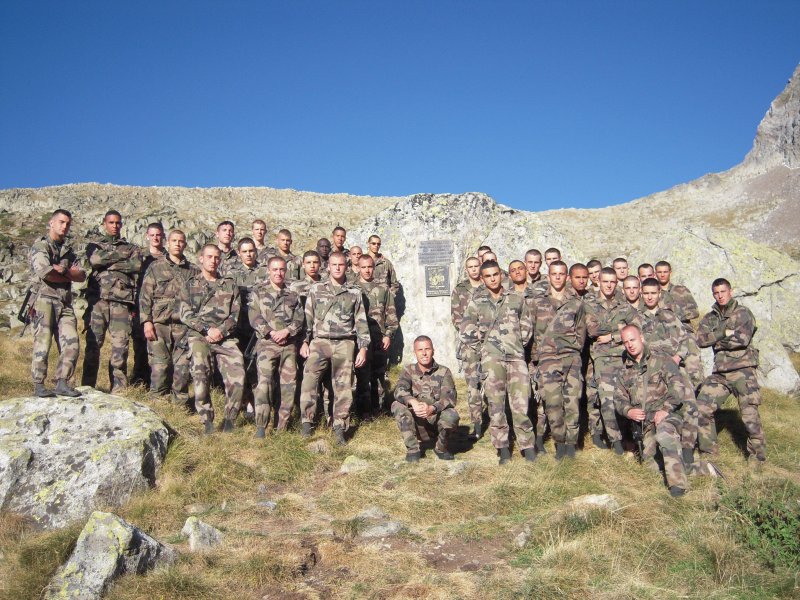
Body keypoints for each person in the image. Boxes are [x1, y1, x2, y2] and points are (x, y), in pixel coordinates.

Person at [461, 260, 536, 464]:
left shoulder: (515, 298)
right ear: (483, 279)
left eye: (496, 274)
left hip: (516, 357)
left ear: (501, 275)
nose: (493, 278)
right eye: (488, 276)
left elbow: (527, 326)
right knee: (496, 404)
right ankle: (503, 447)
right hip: (491, 359)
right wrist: (483, 350)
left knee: (521, 403)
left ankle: (527, 445)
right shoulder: (477, 302)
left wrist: (517, 343)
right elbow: (466, 330)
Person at [299, 251, 370, 445]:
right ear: (328, 267)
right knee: (309, 381)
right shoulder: (316, 289)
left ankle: (339, 427)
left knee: (343, 386)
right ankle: (307, 422)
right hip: (320, 341)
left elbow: (361, 321)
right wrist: (305, 341)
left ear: (346, 266)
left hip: (345, 342)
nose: (337, 268)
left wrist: (363, 348)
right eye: (334, 265)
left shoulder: (354, 292)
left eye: (341, 265)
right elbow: (308, 319)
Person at [614, 324, 690, 497]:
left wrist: (665, 410)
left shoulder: (661, 360)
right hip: (645, 424)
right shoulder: (624, 372)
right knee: (652, 469)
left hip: (669, 417)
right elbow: (619, 399)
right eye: (626, 342)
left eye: (632, 340)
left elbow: (678, 387)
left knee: (664, 434)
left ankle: (678, 488)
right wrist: (628, 411)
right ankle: (701, 468)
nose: (630, 345)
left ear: (641, 337)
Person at [695, 279, 766, 463]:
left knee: (749, 415)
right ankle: (708, 452)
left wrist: (716, 341)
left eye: (723, 291)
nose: (720, 295)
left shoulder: (743, 313)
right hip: (720, 372)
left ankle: (757, 457)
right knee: (702, 407)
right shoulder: (710, 317)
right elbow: (700, 340)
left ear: (730, 291)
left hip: (743, 370)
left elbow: (741, 340)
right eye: (716, 293)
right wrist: (722, 334)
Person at [179, 244, 245, 434]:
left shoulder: (230, 285)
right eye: (209, 257)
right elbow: (185, 314)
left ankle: (230, 419)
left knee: (238, 373)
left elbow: (235, 315)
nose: (213, 261)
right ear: (201, 259)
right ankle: (206, 419)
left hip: (225, 337)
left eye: (217, 257)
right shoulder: (190, 284)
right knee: (200, 373)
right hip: (200, 335)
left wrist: (221, 331)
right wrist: (207, 329)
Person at [639, 277, 699, 468]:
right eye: (646, 293)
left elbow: (684, 340)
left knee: (689, 403)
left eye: (653, 293)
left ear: (659, 294)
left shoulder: (670, 316)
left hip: (673, 366)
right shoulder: (636, 317)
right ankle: (651, 448)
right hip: (651, 371)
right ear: (642, 294)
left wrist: (677, 358)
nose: (649, 297)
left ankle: (688, 448)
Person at [81, 210, 143, 392]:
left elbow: (136, 266)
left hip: (121, 303)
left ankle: (118, 390)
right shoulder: (94, 245)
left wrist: (107, 262)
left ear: (121, 224)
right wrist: (119, 257)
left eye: (117, 223)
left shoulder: (132, 247)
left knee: (120, 348)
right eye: (111, 222)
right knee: (93, 345)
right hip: (97, 301)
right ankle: (87, 387)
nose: (115, 226)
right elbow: (94, 260)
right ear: (104, 224)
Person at [531, 260, 587, 459]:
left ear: (566, 277)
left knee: (572, 402)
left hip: (571, 358)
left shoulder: (576, 303)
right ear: (548, 276)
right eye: (554, 274)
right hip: (547, 360)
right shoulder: (537, 302)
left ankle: (571, 445)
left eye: (561, 274)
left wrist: (573, 349)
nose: (557, 277)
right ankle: (559, 442)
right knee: (553, 404)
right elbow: (532, 332)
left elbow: (581, 332)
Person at [28, 209, 85, 397]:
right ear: (51, 223)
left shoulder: (68, 251)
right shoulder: (40, 246)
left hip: (65, 302)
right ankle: (39, 384)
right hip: (44, 300)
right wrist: (66, 274)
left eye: (68, 223)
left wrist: (62, 272)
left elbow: (82, 275)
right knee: (42, 343)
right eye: (61, 222)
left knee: (72, 342)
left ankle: (62, 382)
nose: (65, 226)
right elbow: (45, 272)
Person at [138, 229, 198, 405]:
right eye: (174, 241)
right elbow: (145, 296)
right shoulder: (156, 267)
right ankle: (158, 403)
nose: (178, 244)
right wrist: (146, 322)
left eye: (181, 241)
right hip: (159, 325)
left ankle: (180, 406)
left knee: (182, 368)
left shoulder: (193, 271)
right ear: (168, 243)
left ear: (185, 244)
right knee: (160, 366)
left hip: (183, 327)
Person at [248, 256, 304, 436]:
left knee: (288, 387)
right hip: (266, 344)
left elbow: (300, 318)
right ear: (268, 271)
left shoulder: (292, 294)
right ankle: (261, 426)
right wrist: (271, 332)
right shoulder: (259, 292)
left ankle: (282, 427)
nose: (278, 273)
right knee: (264, 385)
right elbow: (254, 316)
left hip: (288, 346)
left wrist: (287, 331)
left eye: (281, 269)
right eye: (275, 269)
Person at [392, 336, 459, 462]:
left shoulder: (444, 371)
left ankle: (441, 448)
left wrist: (432, 408)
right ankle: (413, 449)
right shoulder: (408, 370)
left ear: (433, 350)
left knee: (452, 415)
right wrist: (413, 402)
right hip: (416, 423)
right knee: (397, 405)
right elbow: (399, 390)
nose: (424, 353)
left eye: (427, 349)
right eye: (420, 350)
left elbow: (450, 398)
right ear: (415, 352)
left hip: (435, 420)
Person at [585, 267, 626, 454]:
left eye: (612, 282)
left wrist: (613, 336)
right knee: (606, 398)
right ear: (598, 282)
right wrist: (618, 326)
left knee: (626, 397)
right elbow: (592, 330)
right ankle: (615, 441)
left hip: (624, 355)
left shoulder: (623, 303)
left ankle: (630, 436)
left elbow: (635, 327)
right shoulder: (590, 303)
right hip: (602, 357)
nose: (609, 285)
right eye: (605, 281)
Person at [354, 254, 398, 417]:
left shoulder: (383, 288)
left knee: (379, 375)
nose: (367, 270)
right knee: (362, 374)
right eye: (363, 267)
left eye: (370, 267)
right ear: (358, 268)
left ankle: (378, 409)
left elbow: (391, 313)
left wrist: (388, 334)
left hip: (379, 338)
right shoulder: (352, 288)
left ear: (374, 267)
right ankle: (363, 411)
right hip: (360, 340)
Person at [655, 261, 704, 391]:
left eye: (665, 272)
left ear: (670, 272)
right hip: (664, 334)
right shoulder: (654, 293)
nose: (662, 275)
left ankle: (698, 397)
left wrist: (674, 315)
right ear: (655, 273)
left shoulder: (681, 290)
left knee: (693, 367)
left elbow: (694, 311)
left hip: (685, 332)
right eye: (659, 272)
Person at [451, 256, 485, 437]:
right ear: (466, 269)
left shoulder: (488, 286)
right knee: (473, 385)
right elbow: (456, 318)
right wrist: (473, 334)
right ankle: (477, 424)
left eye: (476, 266)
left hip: (489, 343)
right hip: (469, 345)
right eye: (470, 267)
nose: (473, 269)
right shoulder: (460, 290)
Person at [131, 223, 165, 386]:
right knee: (139, 346)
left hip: (161, 309)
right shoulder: (139, 257)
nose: (155, 238)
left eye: (158, 234)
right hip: (140, 306)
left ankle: (158, 382)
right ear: (147, 236)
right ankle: (139, 381)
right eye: (152, 235)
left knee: (159, 348)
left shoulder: (168, 257)